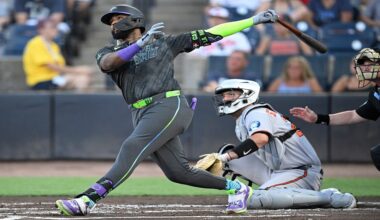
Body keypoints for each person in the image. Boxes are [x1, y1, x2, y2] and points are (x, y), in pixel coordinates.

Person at [54, 4, 279, 216]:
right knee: (178, 173)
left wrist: (253, 20)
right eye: (110, 22)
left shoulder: (164, 42)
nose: (113, 24)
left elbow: (212, 33)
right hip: (141, 111)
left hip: (168, 104)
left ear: (135, 21)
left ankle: (87, 200)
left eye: (118, 19)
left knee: (132, 146)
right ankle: (238, 189)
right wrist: (140, 44)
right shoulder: (107, 51)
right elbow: (108, 64)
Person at [196, 78, 356, 209]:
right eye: (224, 95)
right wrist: (219, 159)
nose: (225, 98)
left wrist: (226, 157)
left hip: (301, 172)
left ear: (246, 95)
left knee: (254, 199)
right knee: (225, 154)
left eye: (231, 94)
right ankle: (270, 189)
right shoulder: (242, 119)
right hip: (277, 170)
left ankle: (328, 197)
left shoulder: (255, 112)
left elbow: (261, 139)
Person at [290, 48, 380, 171]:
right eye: (362, 64)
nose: (365, 67)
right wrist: (318, 118)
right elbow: (353, 115)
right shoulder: (376, 94)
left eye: (370, 63)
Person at [23, 19, 93, 91]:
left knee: (84, 77)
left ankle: (76, 100)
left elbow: (59, 66)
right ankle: (78, 101)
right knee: (81, 79)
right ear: (41, 30)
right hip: (41, 80)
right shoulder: (35, 43)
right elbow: (51, 66)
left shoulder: (54, 45)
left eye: (56, 27)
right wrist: (77, 70)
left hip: (55, 78)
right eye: (52, 27)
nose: (55, 29)